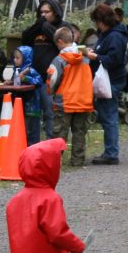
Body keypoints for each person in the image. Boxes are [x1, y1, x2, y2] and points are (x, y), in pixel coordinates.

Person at [21, 0, 72, 139]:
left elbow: (64, 43)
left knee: (51, 113)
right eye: (41, 12)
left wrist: (46, 27)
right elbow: (25, 39)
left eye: (47, 12)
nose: (43, 15)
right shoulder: (39, 25)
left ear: (55, 12)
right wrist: (38, 26)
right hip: (35, 77)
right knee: (33, 114)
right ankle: (33, 144)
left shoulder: (63, 27)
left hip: (52, 78)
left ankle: (52, 145)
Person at [87, 3, 128, 166]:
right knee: (107, 115)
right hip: (107, 80)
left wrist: (95, 57)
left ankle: (111, 153)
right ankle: (110, 151)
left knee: (109, 116)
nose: (97, 25)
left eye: (97, 21)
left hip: (111, 80)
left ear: (102, 20)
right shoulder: (109, 34)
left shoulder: (115, 36)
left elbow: (114, 60)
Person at [47, 27, 93, 167]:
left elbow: (52, 79)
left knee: (60, 132)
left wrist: (50, 91)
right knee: (79, 132)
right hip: (83, 100)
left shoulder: (59, 59)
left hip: (65, 101)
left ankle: (55, 161)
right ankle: (78, 160)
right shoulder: (85, 57)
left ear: (60, 42)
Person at [12, 45, 45, 146]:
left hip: (32, 107)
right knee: (24, 130)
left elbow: (39, 81)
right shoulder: (17, 71)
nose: (14, 60)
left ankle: (33, 152)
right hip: (22, 106)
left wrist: (26, 79)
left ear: (26, 58)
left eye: (17, 58)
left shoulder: (30, 70)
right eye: (14, 57)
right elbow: (17, 82)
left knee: (32, 132)